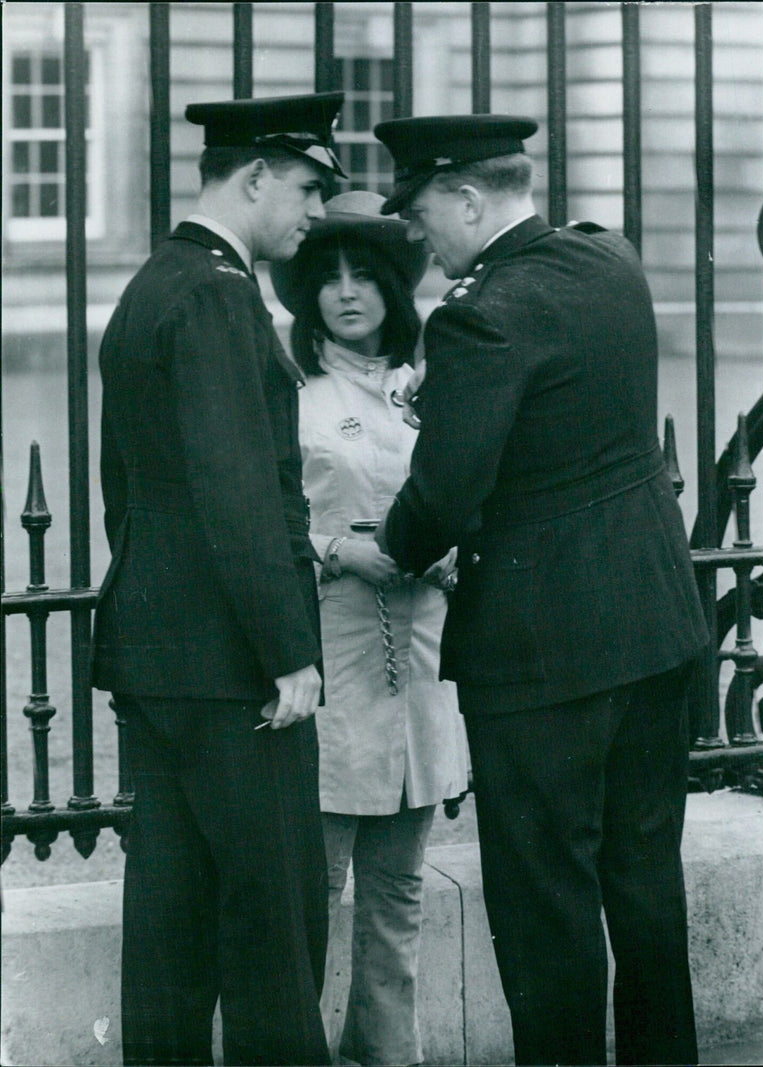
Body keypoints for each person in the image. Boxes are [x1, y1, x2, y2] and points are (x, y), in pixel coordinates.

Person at [372, 114, 710, 1066]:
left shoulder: (480, 314)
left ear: (471, 199)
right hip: (654, 623)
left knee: (544, 905)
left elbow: (442, 497)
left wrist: (386, 545)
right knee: (646, 882)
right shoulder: (611, 261)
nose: (422, 240)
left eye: (425, 214)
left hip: (542, 654)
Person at [91, 92, 346, 1067]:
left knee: (168, 933)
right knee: (275, 936)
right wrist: (288, 652)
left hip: (159, 658)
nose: (314, 212)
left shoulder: (154, 284)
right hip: (237, 671)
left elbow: (130, 497)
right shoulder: (216, 293)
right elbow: (236, 490)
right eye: (307, 187)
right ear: (252, 179)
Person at [270, 190, 469, 1067]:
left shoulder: (432, 384)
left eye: (365, 275)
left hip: (421, 666)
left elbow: (474, 487)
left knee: (399, 898)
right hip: (332, 662)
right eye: (329, 278)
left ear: (394, 284)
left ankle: (389, 1055)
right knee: (313, 893)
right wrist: (337, 552)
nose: (346, 293)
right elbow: (255, 517)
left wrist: (452, 548)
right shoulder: (293, 393)